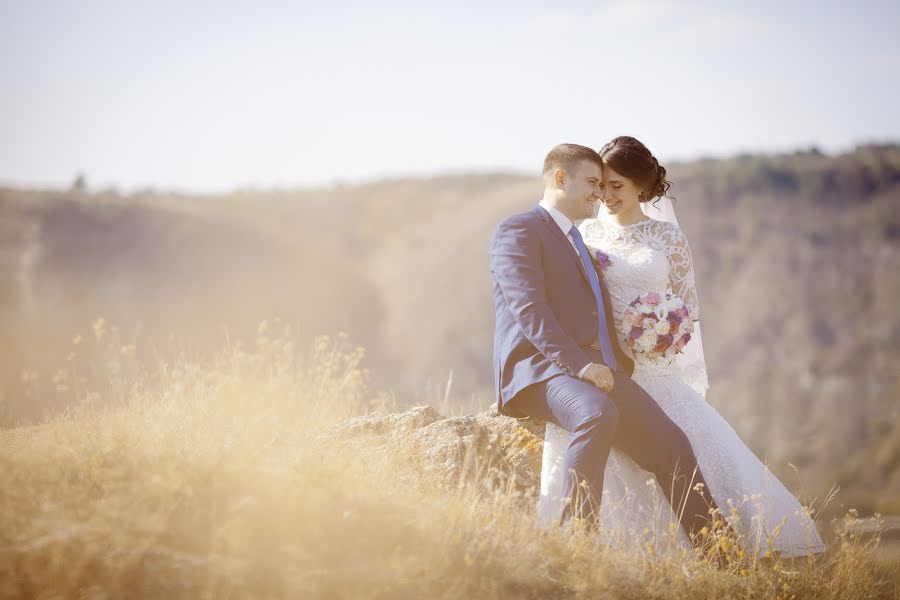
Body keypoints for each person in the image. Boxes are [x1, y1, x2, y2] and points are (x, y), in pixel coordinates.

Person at [540, 136, 825, 557]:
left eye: (616, 185)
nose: (606, 195)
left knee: (687, 451)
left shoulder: (668, 238)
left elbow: (685, 306)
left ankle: (720, 552)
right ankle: (618, 554)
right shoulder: (584, 233)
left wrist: (662, 330)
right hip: (603, 369)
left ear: (639, 185)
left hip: (654, 365)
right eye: (601, 185)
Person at [489, 143, 718, 542]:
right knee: (595, 413)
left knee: (673, 445)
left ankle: (724, 555)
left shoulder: (579, 240)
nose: (599, 193)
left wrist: (621, 357)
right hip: (539, 370)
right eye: (592, 182)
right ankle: (577, 541)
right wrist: (580, 365)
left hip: (599, 369)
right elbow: (530, 311)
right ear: (561, 178)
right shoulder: (519, 229)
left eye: (604, 183)